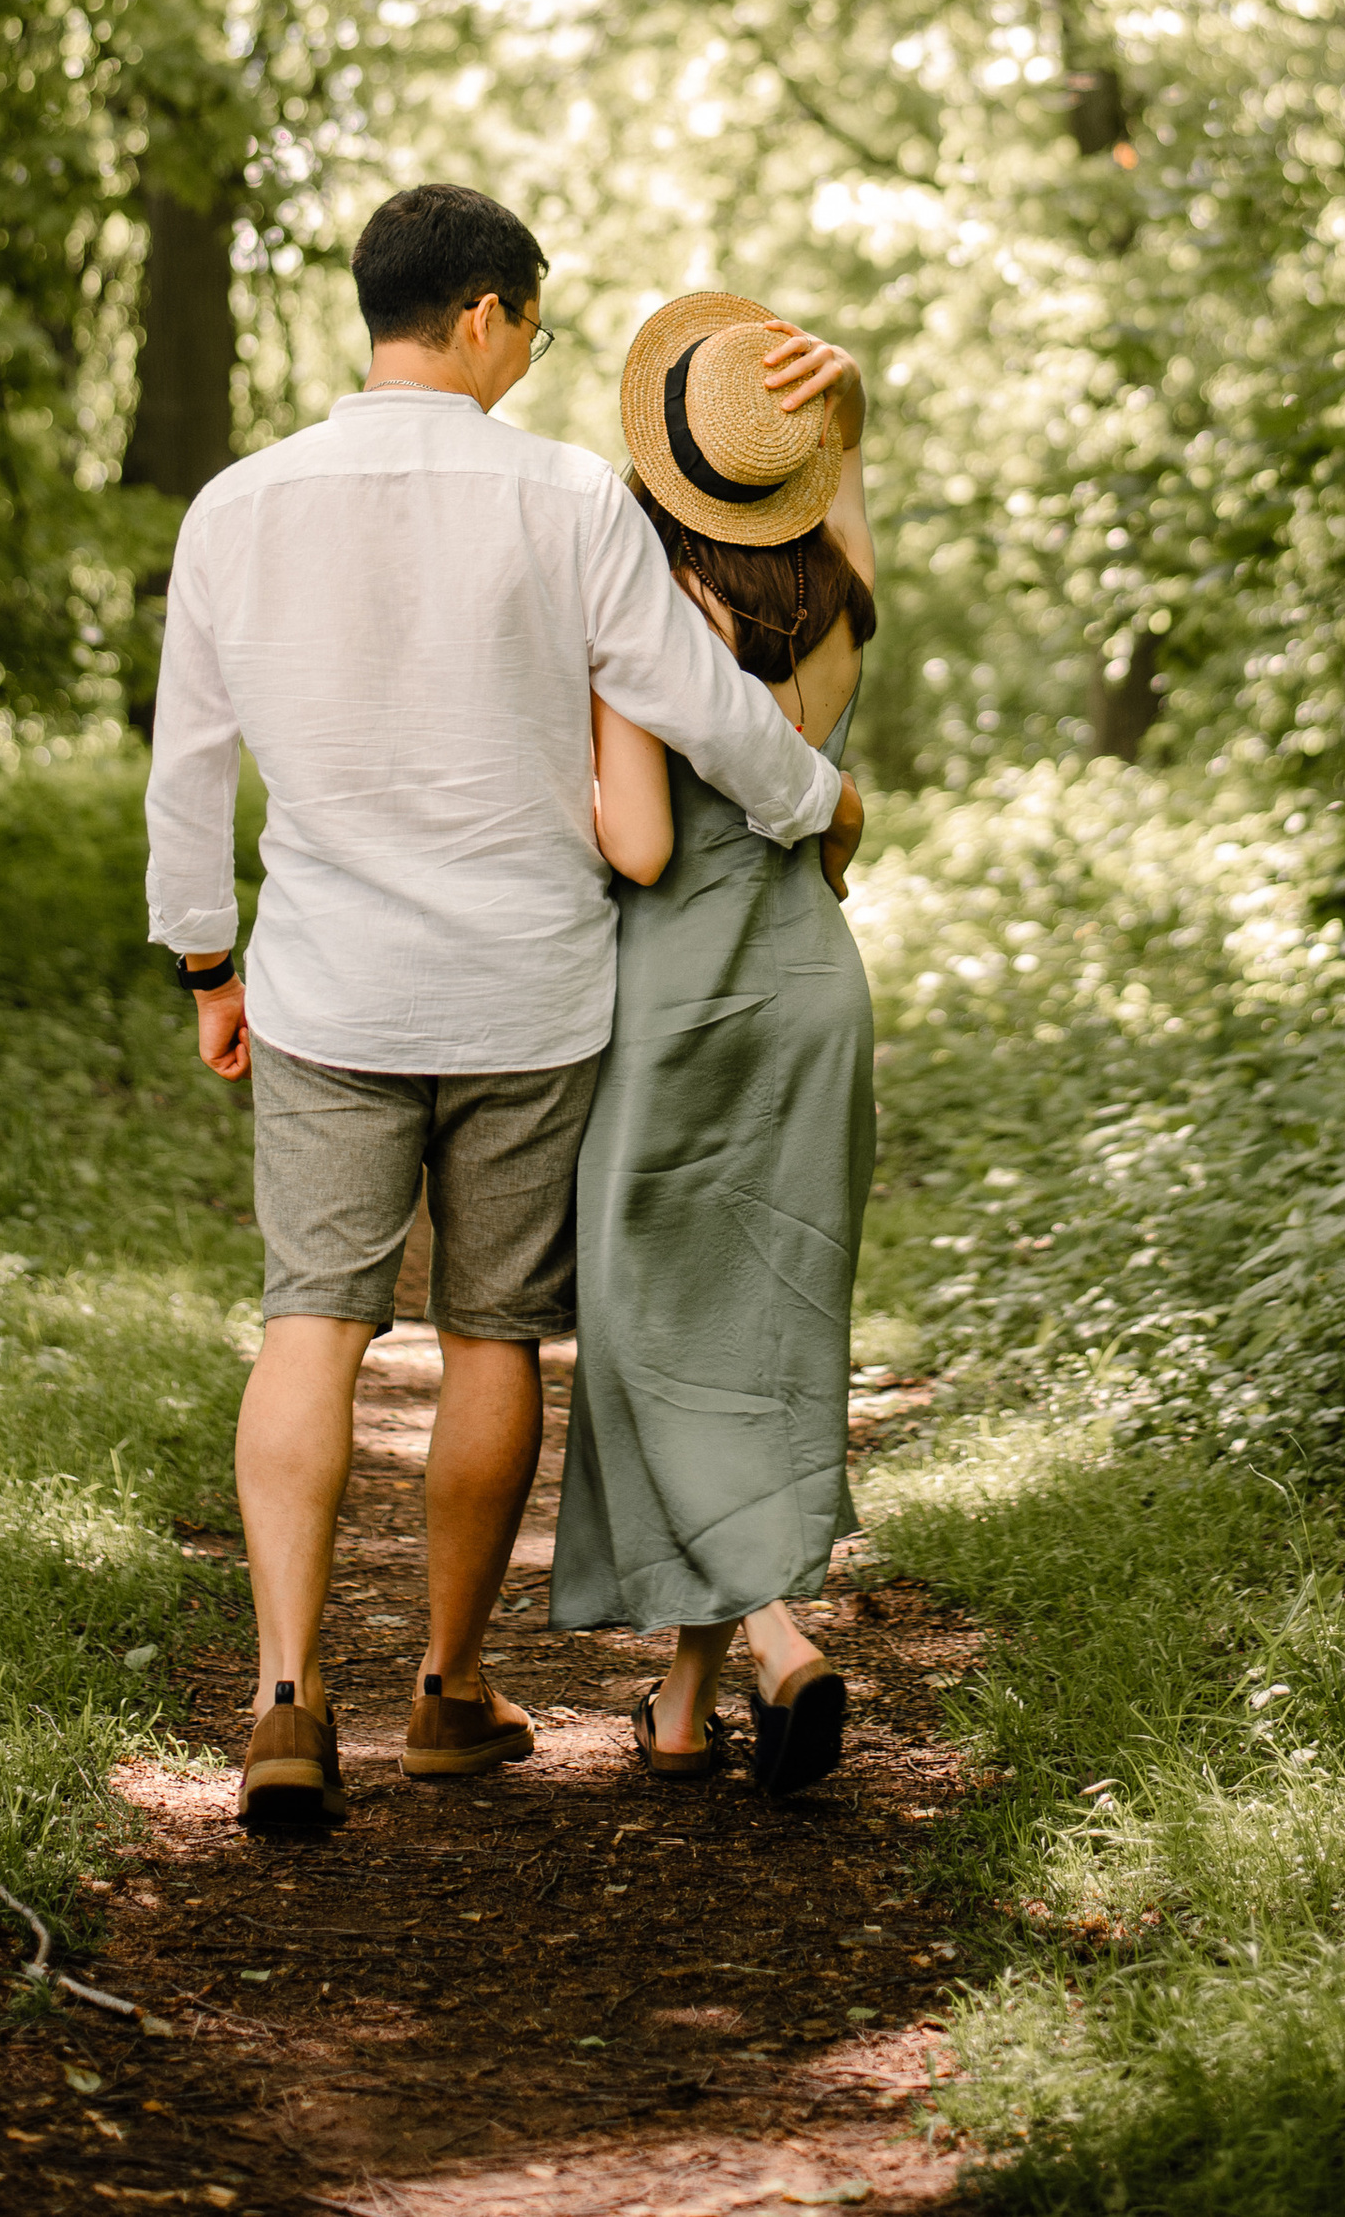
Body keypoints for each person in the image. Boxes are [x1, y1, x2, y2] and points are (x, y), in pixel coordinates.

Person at [143, 186, 864, 1830]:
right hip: (530, 994)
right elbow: (691, 697)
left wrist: (207, 961)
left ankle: (283, 1694)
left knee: (309, 1323)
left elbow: (188, 766)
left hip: (328, 985)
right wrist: (813, 796)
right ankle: (451, 1687)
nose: (533, 354)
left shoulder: (239, 504)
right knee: (490, 1340)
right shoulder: (561, 499)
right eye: (531, 323)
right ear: (482, 312)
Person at [549, 290, 878, 1800]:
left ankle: (776, 1632)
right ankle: (680, 1712)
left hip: (675, 1004)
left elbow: (631, 841)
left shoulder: (646, 626)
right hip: (812, 992)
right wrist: (848, 423)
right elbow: (853, 525)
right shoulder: (834, 603)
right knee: (755, 1327)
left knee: (645, 1336)